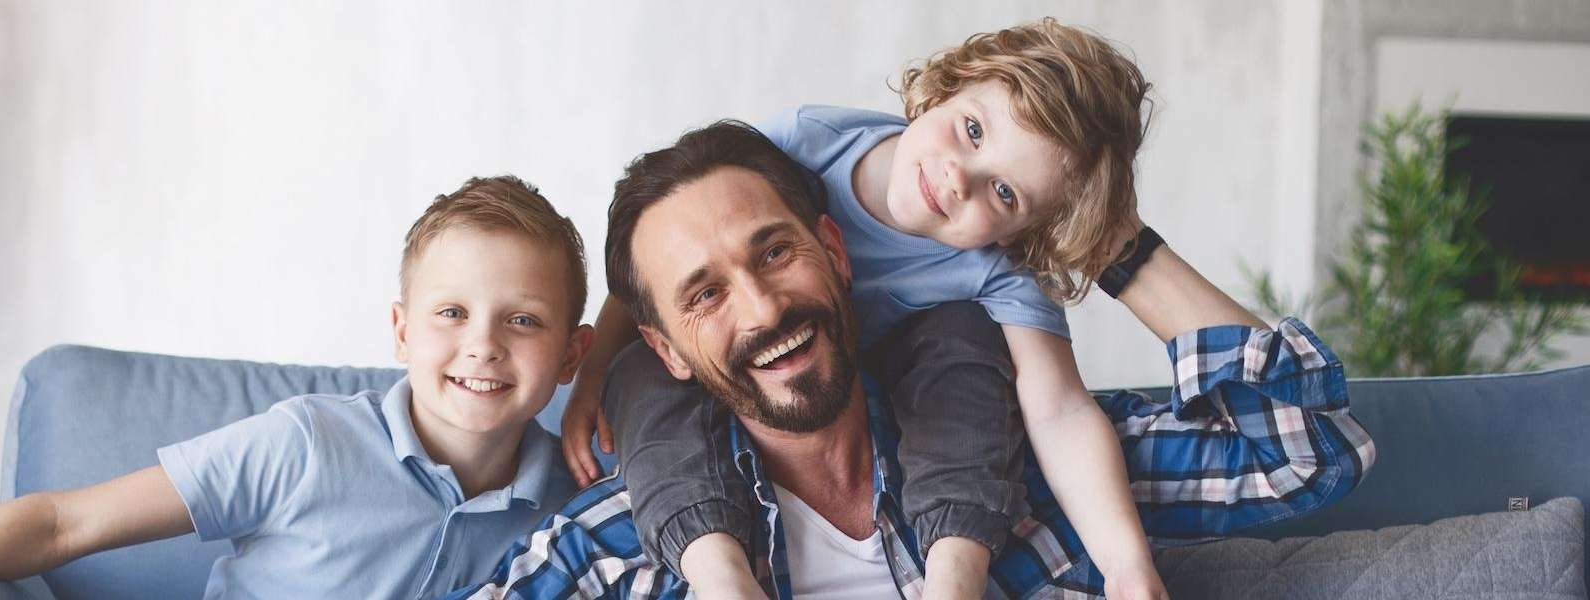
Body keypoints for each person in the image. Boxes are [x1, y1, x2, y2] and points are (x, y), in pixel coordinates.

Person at [453, 120, 1372, 599]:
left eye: (775, 251)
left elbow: (1303, 448)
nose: (764, 308)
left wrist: (1103, 235)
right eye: (706, 294)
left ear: (835, 252)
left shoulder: (1028, 462)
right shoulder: (621, 546)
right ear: (665, 351)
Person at [563, 19, 1163, 598]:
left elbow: (1062, 412)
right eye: (973, 131)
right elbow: (665, 233)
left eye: (1006, 193)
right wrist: (594, 375)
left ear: (1023, 234)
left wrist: (1127, 568)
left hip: (882, 399)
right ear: (943, 90)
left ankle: (953, 570)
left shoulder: (999, 274)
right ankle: (720, 575)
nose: (958, 178)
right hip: (741, 392)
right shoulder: (812, 138)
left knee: (961, 337)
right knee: (643, 371)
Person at [0, 176, 596, 599]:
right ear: (399, 330)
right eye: (450, 312)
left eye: (523, 321)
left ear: (571, 355)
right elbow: (57, 525)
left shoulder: (580, 500)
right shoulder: (307, 446)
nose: (483, 345)